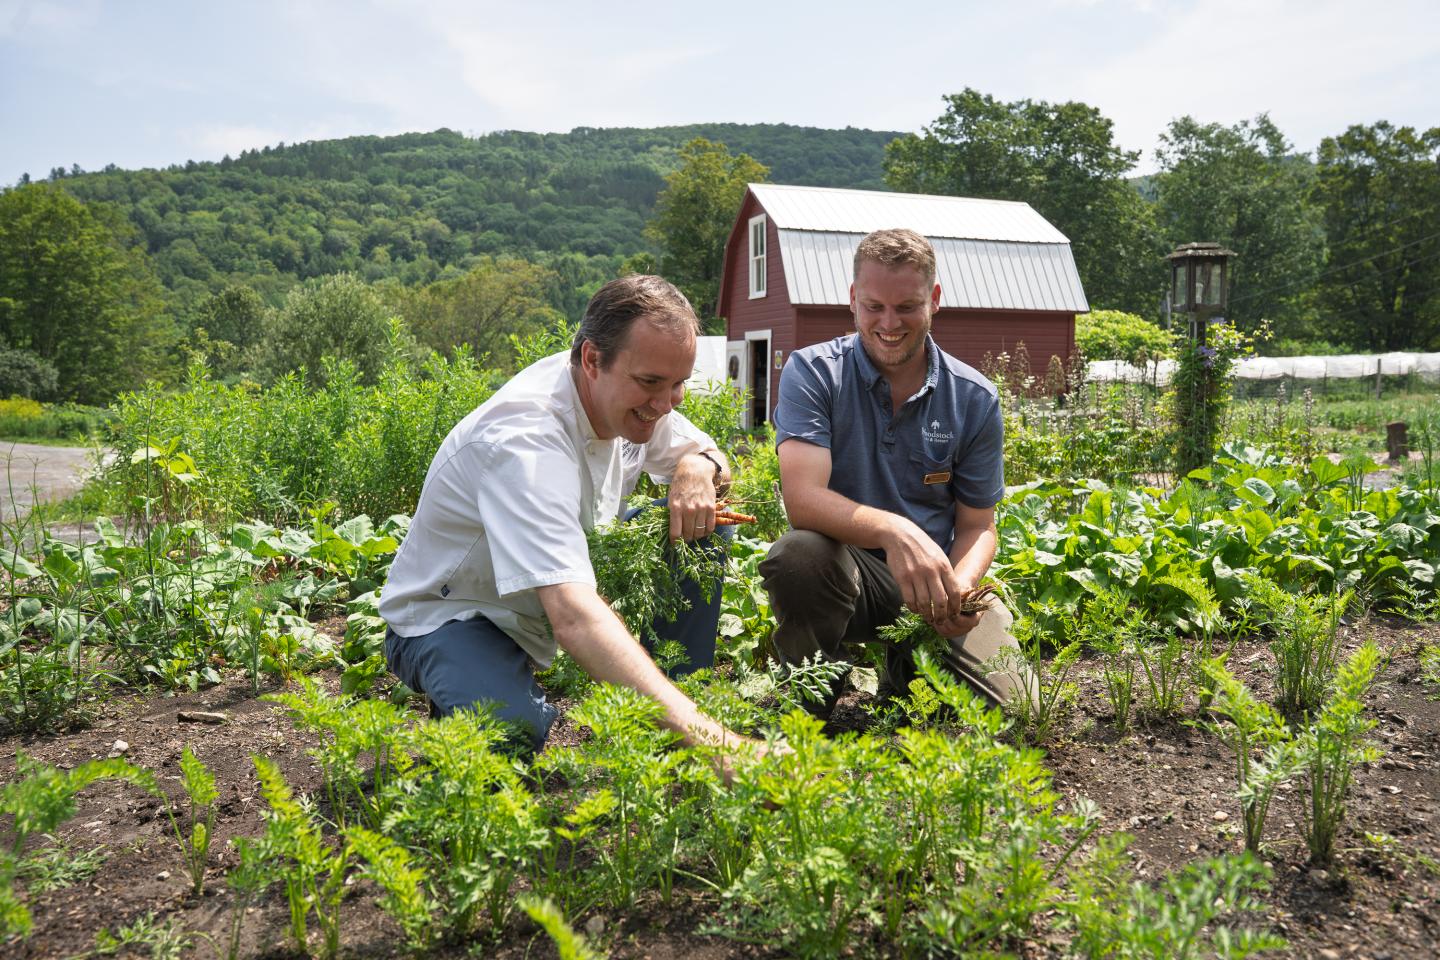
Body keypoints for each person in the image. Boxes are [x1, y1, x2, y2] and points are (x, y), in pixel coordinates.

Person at [380, 274, 751, 756]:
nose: (665, 404)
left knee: (704, 525)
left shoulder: (627, 397)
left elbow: (709, 456)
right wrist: (722, 747)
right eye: (652, 383)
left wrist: (699, 466)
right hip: (459, 614)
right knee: (508, 732)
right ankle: (477, 688)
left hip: (557, 587)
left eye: (679, 384)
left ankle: (674, 716)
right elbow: (573, 615)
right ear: (593, 360)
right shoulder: (525, 440)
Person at [760, 228, 1029, 713]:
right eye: (873, 306)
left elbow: (978, 525)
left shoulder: (972, 398)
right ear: (852, 300)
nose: (889, 323)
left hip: (934, 582)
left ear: (935, 300)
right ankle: (811, 704)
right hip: (845, 572)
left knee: (1019, 709)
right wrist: (893, 530)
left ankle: (905, 671)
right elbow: (802, 500)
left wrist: (961, 589)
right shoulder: (815, 372)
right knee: (798, 555)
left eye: (907, 306)